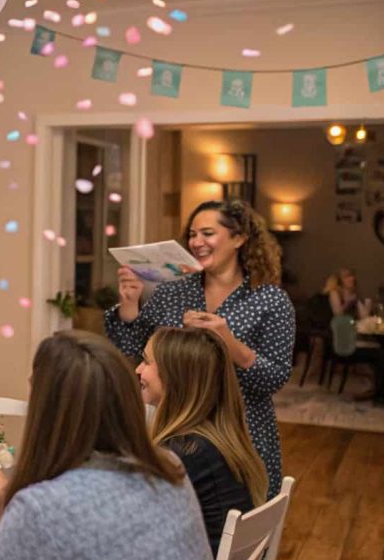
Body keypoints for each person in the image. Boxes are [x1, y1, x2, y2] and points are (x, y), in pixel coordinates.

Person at [0, 330, 213, 560]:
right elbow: (92, 539)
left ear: (46, 410)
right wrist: (10, 505)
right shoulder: (167, 467)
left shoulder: (43, 510)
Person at [105, 199, 295, 496]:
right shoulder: (172, 292)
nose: (196, 242)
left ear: (239, 238)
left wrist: (229, 343)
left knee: (237, 521)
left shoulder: (270, 300)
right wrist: (129, 305)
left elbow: (274, 378)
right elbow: (134, 352)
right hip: (175, 432)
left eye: (207, 233)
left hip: (241, 434)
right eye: (192, 235)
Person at [139, 326, 267, 556]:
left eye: (147, 362)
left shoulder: (186, 453)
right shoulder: (214, 439)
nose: (138, 370)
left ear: (174, 376)